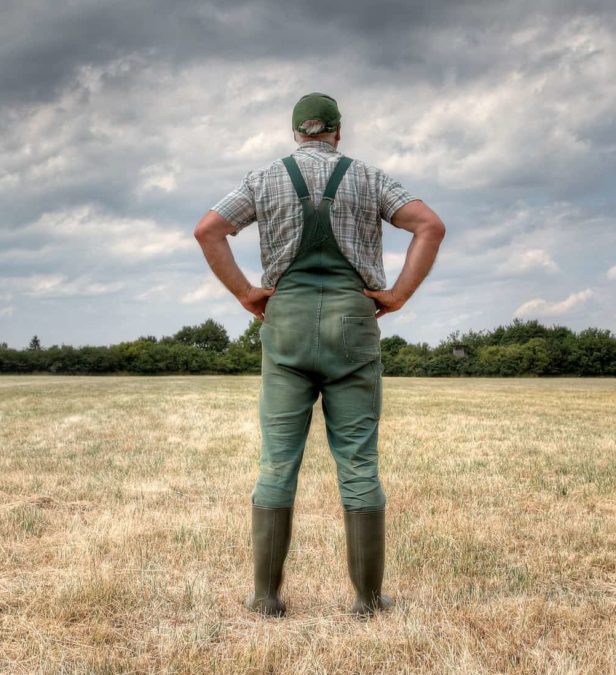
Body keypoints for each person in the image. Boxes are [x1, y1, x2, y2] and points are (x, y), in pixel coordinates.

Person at [193, 92, 445, 617]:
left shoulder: (263, 179)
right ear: (337, 132)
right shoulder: (370, 177)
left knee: (278, 462)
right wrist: (396, 295)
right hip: (353, 324)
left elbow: (208, 229)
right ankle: (367, 601)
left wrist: (245, 292)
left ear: (296, 133)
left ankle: (265, 597)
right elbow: (430, 225)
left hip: (285, 322)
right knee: (357, 461)